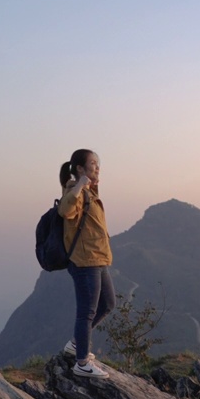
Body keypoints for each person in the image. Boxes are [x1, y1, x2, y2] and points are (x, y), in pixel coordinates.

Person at [58, 148, 116, 378]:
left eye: (98, 162)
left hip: (98, 258)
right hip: (85, 262)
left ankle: (75, 344)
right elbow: (65, 210)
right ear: (80, 168)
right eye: (93, 163)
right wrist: (80, 184)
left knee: (108, 304)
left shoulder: (90, 192)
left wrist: (88, 185)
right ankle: (81, 362)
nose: (97, 167)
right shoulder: (75, 190)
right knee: (87, 312)